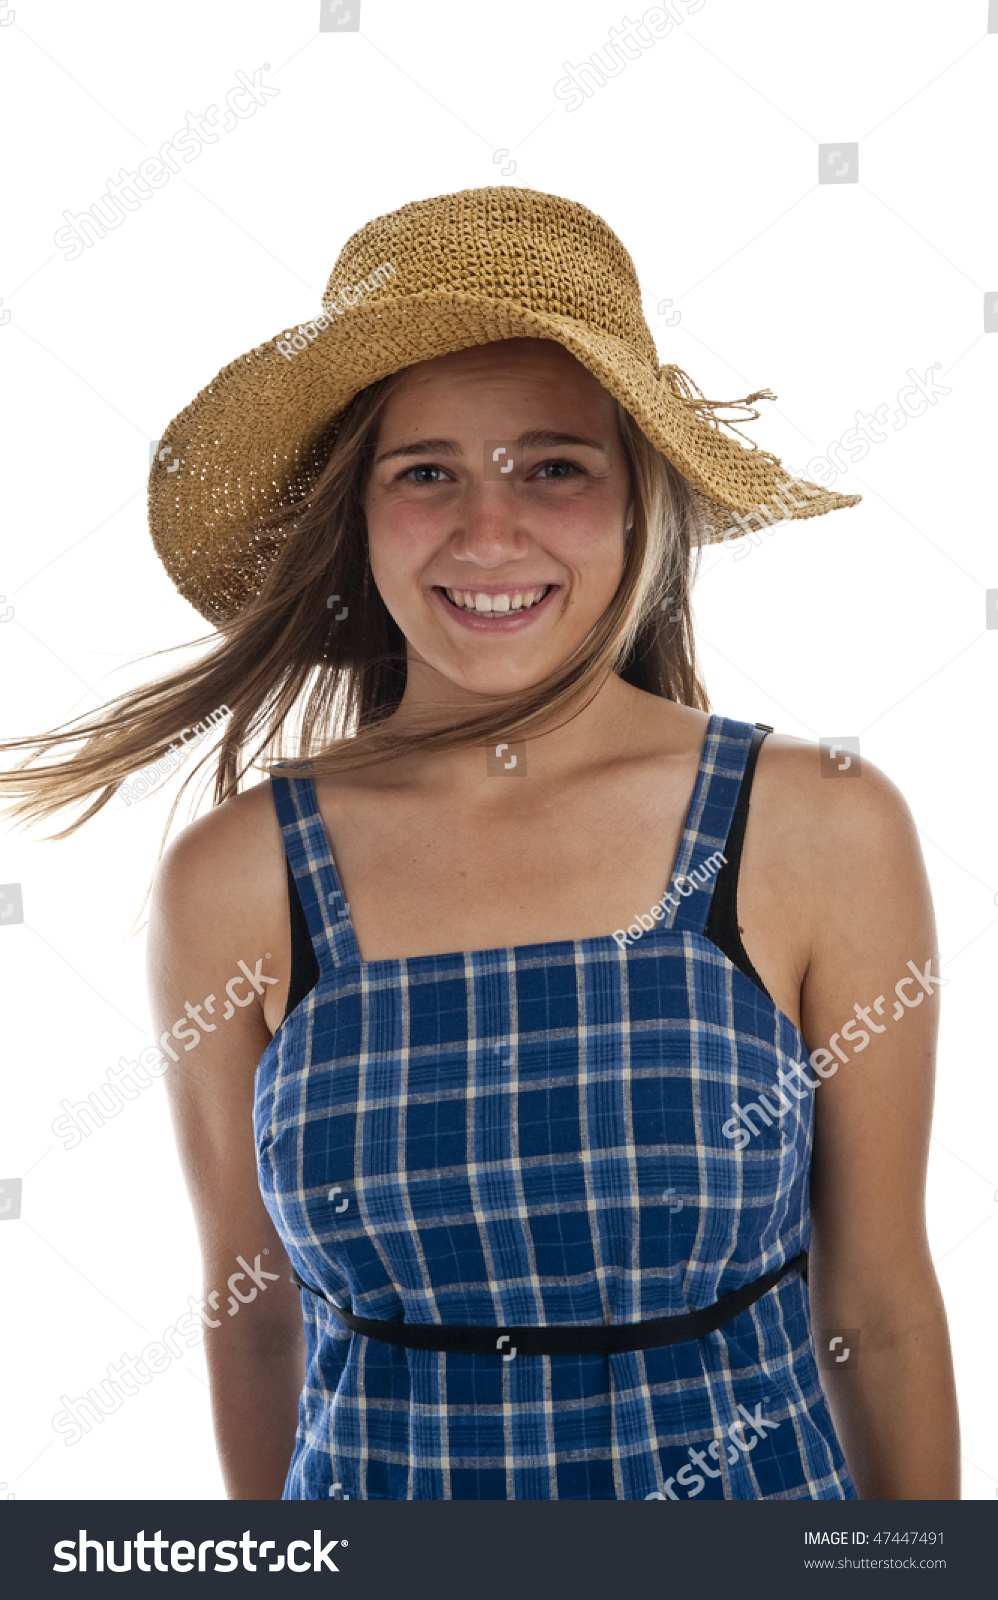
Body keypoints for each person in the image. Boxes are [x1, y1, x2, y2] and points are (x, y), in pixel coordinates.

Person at [1, 187, 959, 1501]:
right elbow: (254, 1315)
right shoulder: (236, 879)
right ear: (358, 513)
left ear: (638, 504)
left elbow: (881, 1296)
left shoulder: (813, 823)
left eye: (551, 465)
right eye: (426, 472)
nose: (487, 530)